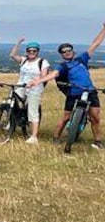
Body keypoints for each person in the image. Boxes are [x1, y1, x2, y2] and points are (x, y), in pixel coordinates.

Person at [27, 22, 105, 150]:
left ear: (73, 51)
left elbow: (95, 44)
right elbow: (53, 74)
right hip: (74, 93)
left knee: (95, 118)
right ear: (61, 54)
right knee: (66, 117)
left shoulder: (82, 59)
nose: (67, 53)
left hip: (90, 92)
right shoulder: (62, 66)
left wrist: (104, 30)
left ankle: (97, 141)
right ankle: (56, 137)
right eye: (64, 52)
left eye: (69, 50)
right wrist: (38, 81)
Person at [9, 38, 49, 144]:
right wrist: (18, 43)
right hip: (21, 85)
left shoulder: (42, 62)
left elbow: (44, 76)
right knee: (10, 101)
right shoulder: (24, 60)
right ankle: (11, 120)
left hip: (35, 88)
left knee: (32, 111)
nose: (31, 53)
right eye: (29, 51)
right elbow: (12, 55)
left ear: (37, 51)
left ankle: (34, 136)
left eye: (34, 51)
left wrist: (35, 82)